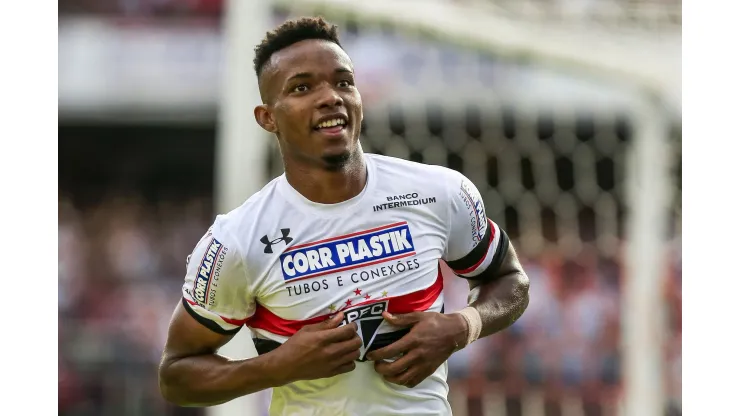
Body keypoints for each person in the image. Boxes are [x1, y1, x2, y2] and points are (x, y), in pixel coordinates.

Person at [158, 17, 530, 416]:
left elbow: (510, 281)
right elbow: (177, 376)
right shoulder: (237, 240)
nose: (330, 97)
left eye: (343, 81)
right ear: (267, 118)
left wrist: (462, 327)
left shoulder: (437, 192)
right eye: (302, 87)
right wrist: (278, 366)